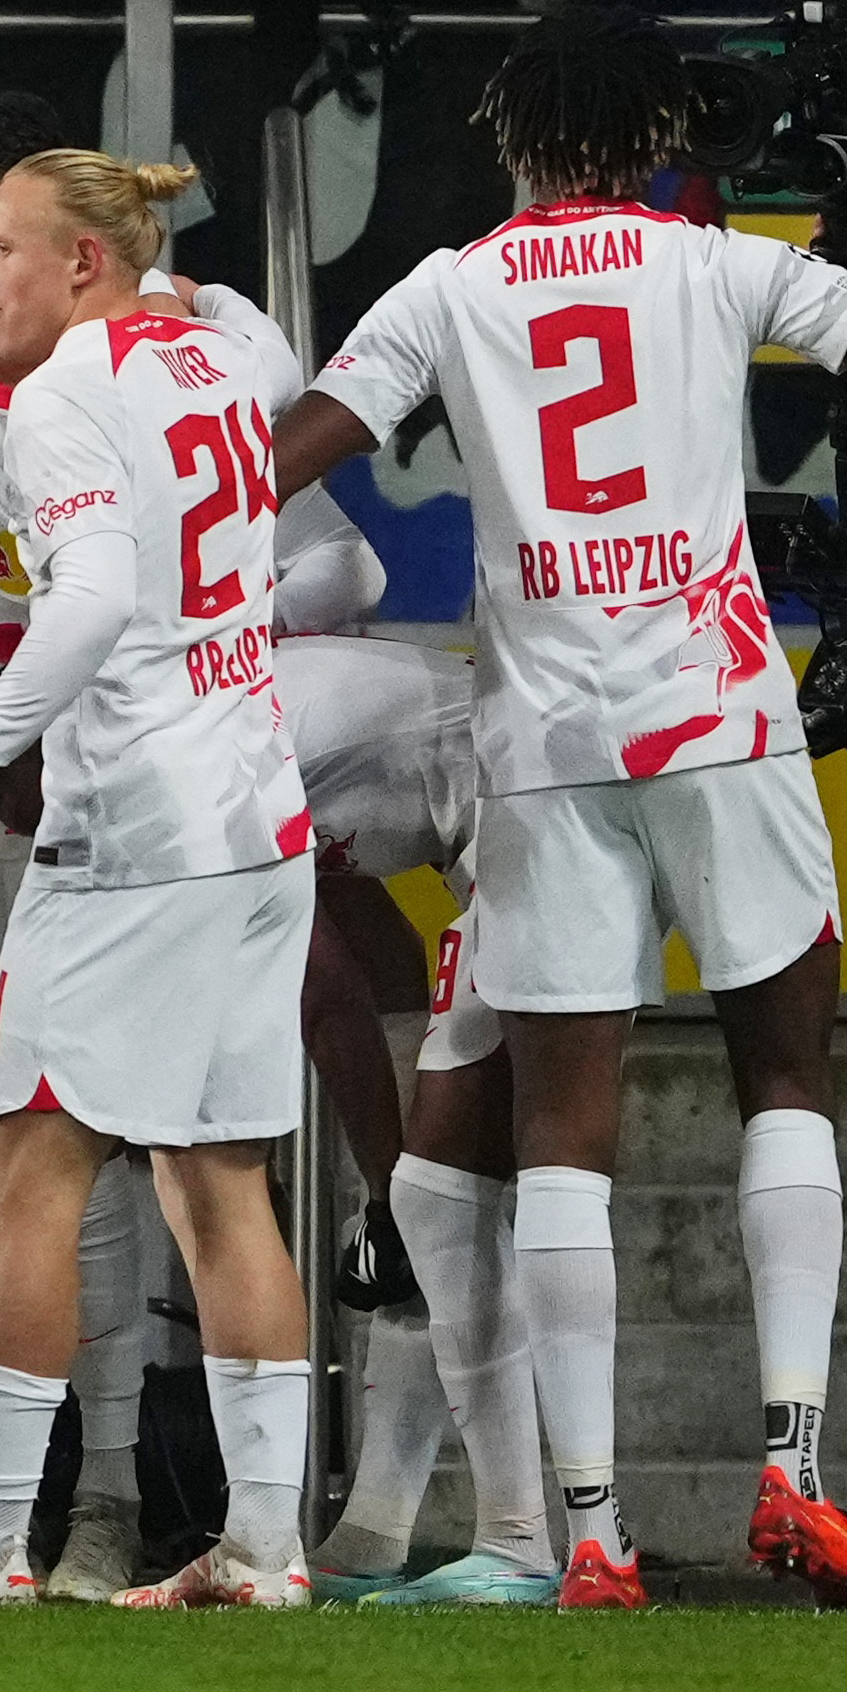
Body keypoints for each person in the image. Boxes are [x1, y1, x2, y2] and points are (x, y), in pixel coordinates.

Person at [272, 6, 847, 1609]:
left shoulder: (450, 288)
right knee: (788, 1074)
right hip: (722, 719)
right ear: (662, 133)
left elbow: (279, 458)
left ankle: (591, 1531)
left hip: (544, 746)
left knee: (562, 1133)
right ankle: (795, 1473)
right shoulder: (714, 262)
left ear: (520, 137)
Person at [0, 151, 318, 1611]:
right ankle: (262, 1552)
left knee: (28, 1168)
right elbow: (222, 316)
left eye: (2, 245)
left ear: (80, 264)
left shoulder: (63, 390)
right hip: (259, 821)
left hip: (134, 833)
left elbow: (97, 599)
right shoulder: (216, 354)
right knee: (220, 1177)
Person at [277, 631, 566, 1606]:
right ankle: (374, 1532)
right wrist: (398, 1156)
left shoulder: (194, 763)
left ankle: (523, 1542)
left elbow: (325, 999)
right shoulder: (232, 726)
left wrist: (387, 1181)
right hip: (508, 819)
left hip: (539, 817)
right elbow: (375, 951)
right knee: (437, 1202)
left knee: (435, 1202)